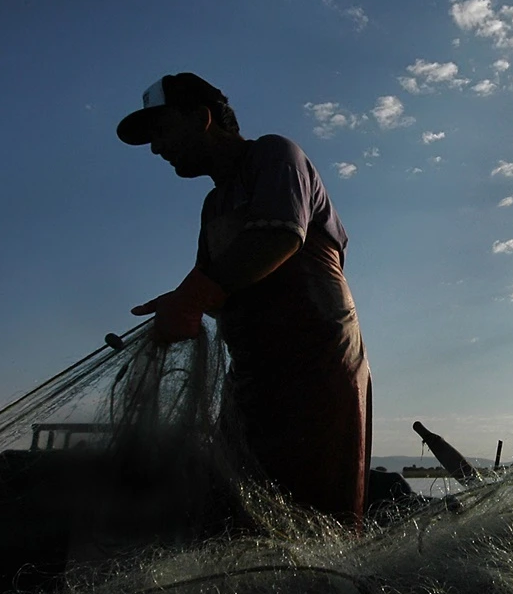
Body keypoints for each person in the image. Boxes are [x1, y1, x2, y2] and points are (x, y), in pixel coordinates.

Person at [117, 73, 372, 528]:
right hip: (253, 378)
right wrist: (176, 308)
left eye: (162, 130)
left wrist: (191, 298)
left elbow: (279, 235)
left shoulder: (275, 154)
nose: (156, 148)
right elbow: (211, 287)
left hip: (318, 369)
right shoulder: (214, 205)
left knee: (318, 515)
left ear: (202, 118)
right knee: (241, 507)